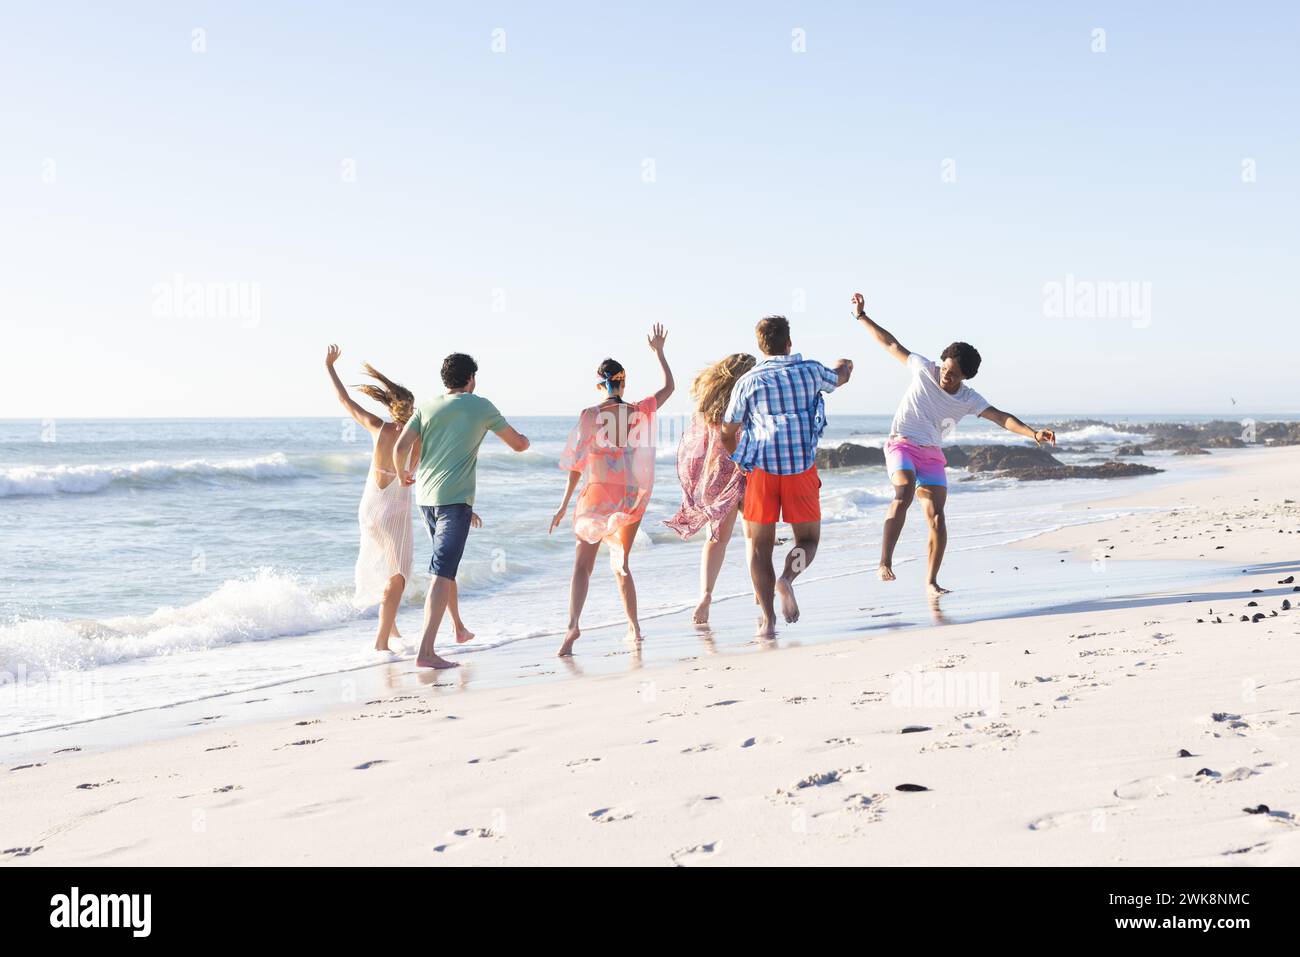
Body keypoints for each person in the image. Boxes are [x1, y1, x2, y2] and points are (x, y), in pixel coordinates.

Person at [850, 292, 1056, 595]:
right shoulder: (923, 369)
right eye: (945, 369)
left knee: (936, 516)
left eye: (953, 375)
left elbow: (1001, 418)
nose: (945, 376)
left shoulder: (968, 398)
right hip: (901, 445)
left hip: (931, 455)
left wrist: (1033, 433)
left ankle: (931, 582)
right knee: (904, 490)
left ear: (965, 376)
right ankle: (884, 562)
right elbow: (890, 343)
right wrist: (861, 316)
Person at [393, 352, 530, 669]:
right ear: (470, 379)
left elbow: (400, 447)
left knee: (445, 567)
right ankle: (425, 652)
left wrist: (402, 474)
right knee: (441, 572)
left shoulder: (427, 406)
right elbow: (518, 445)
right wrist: (526, 440)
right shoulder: (480, 405)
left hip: (426, 499)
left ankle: (457, 628)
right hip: (453, 502)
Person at [719, 316, 853, 637]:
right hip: (800, 470)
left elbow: (728, 429)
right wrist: (846, 364)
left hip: (762, 471)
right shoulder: (810, 370)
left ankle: (768, 621)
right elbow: (840, 377)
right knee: (807, 540)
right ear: (789, 342)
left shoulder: (748, 382)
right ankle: (787, 580)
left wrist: (739, 459)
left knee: (759, 548)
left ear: (761, 346)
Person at [551, 324, 674, 657]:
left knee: (581, 567)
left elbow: (577, 464)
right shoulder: (638, 411)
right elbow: (669, 387)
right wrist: (659, 353)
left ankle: (573, 624)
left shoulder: (590, 415)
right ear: (623, 381)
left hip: (595, 496)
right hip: (628, 497)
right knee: (621, 564)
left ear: (599, 383)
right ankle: (634, 627)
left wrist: (563, 506)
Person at [665, 353, 757, 625]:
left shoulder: (709, 406)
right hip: (749, 468)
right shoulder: (749, 398)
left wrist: (697, 478)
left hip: (719, 472)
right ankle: (757, 591)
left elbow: (696, 444)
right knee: (754, 537)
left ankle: (705, 596)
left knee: (716, 540)